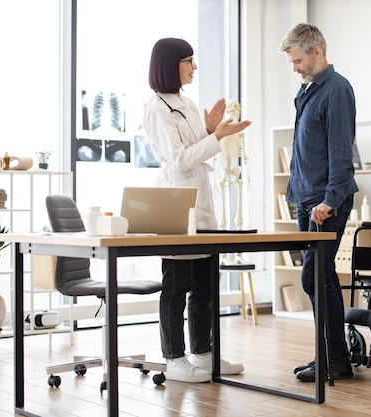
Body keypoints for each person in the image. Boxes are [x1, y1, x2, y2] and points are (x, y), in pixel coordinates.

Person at [144, 37, 252, 383]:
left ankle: (203, 353)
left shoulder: (187, 103)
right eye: (188, 60)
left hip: (202, 204)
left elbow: (194, 147)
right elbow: (179, 159)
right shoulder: (157, 108)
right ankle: (174, 358)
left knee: (205, 286)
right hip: (176, 204)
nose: (194, 67)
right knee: (176, 288)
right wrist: (216, 136)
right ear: (169, 64)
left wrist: (209, 129)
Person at [278, 24, 358, 382]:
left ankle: (335, 360)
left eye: (298, 60)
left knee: (317, 277)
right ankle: (331, 358)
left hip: (325, 203)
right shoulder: (308, 91)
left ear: (317, 52)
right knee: (318, 277)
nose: (294, 67)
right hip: (305, 197)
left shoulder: (336, 91)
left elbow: (341, 152)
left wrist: (329, 201)